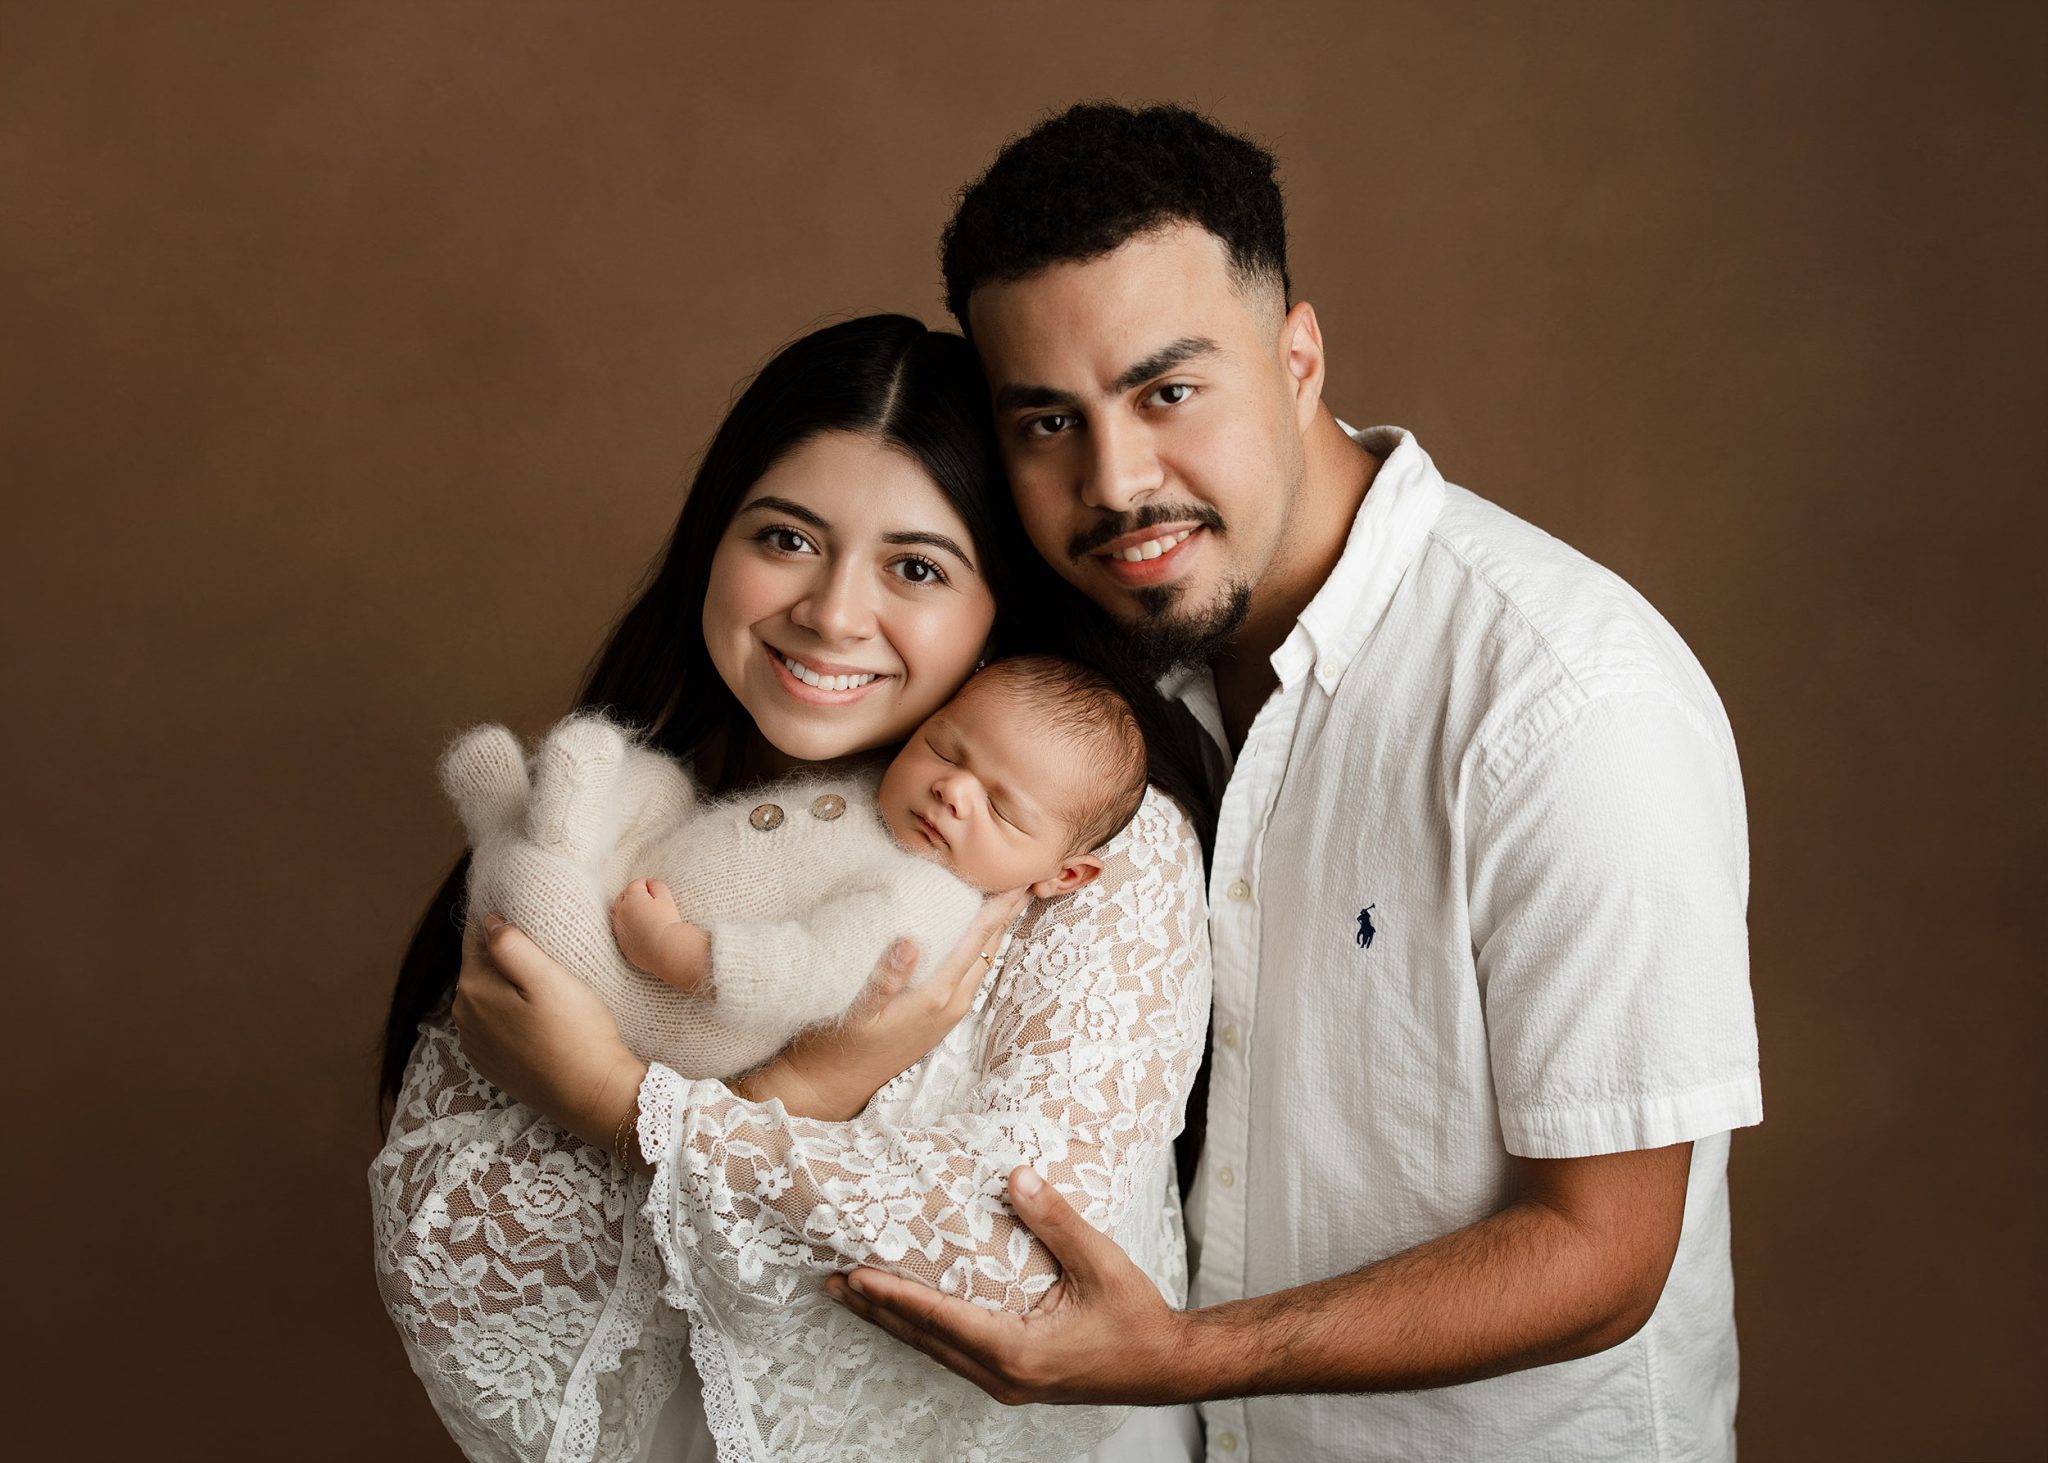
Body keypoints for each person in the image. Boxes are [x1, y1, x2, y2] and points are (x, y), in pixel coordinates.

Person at [821, 104, 1764, 1461]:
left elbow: (1606, 1250)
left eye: (1168, 390)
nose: (1116, 480)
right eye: (1048, 420)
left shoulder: (1564, 698)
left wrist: (1170, 1357)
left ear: (1299, 356)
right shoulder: (1094, 685)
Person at [371, 314, 1212, 1463]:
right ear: (712, 541)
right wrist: (802, 1094)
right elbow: (452, 1237)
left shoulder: (1086, 853)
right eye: (786, 538)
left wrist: (623, 1105)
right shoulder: (621, 804)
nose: (828, 612)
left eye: (915, 567)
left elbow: (1030, 1266)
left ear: (997, 608)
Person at [434, 654, 1145, 1081]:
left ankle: (508, 824)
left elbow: (814, 970)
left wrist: (675, 951)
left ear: (1064, 874)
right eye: (946, 749)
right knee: (656, 783)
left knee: (534, 899)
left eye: (1000, 806)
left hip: (661, 999)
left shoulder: (923, 898)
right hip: (656, 882)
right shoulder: (886, 792)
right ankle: (560, 826)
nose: (952, 791)